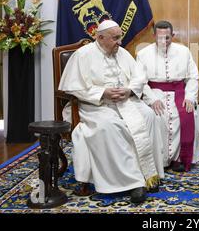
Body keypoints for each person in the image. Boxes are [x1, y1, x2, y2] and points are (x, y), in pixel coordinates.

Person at [58, 19, 165, 204]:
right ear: (100, 38)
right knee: (111, 126)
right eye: (115, 38)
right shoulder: (83, 55)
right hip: (96, 107)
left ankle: (149, 174)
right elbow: (72, 88)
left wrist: (129, 90)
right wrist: (102, 93)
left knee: (148, 116)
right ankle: (132, 182)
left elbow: (139, 78)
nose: (120, 42)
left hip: (126, 102)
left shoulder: (122, 53)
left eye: (120, 38)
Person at [136, 20, 199, 172]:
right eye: (160, 38)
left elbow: (193, 77)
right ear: (154, 36)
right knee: (159, 116)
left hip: (179, 92)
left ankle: (180, 158)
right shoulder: (143, 54)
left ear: (173, 35)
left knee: (187, 113)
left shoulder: (184, 51)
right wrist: (151, 99)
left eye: (167, 38)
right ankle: (161, 160)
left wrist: (190, 97)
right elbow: (140, 82)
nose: (163, 41)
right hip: (154, 93)